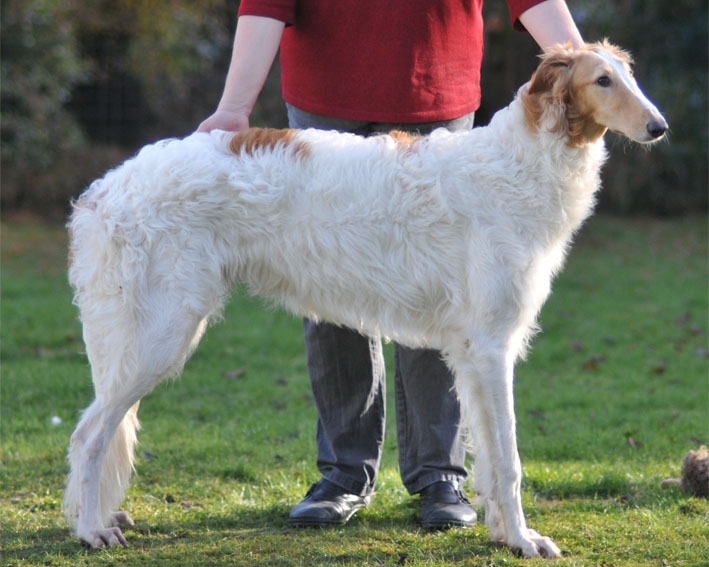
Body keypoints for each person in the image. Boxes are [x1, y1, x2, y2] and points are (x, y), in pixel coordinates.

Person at [199, 0, 583, 529]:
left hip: (435, 90)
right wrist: (233, 107)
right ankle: (344, 472)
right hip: (326, 95)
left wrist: (586, 69)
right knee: (325, 288)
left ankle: (439, 475)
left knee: (448, 298)